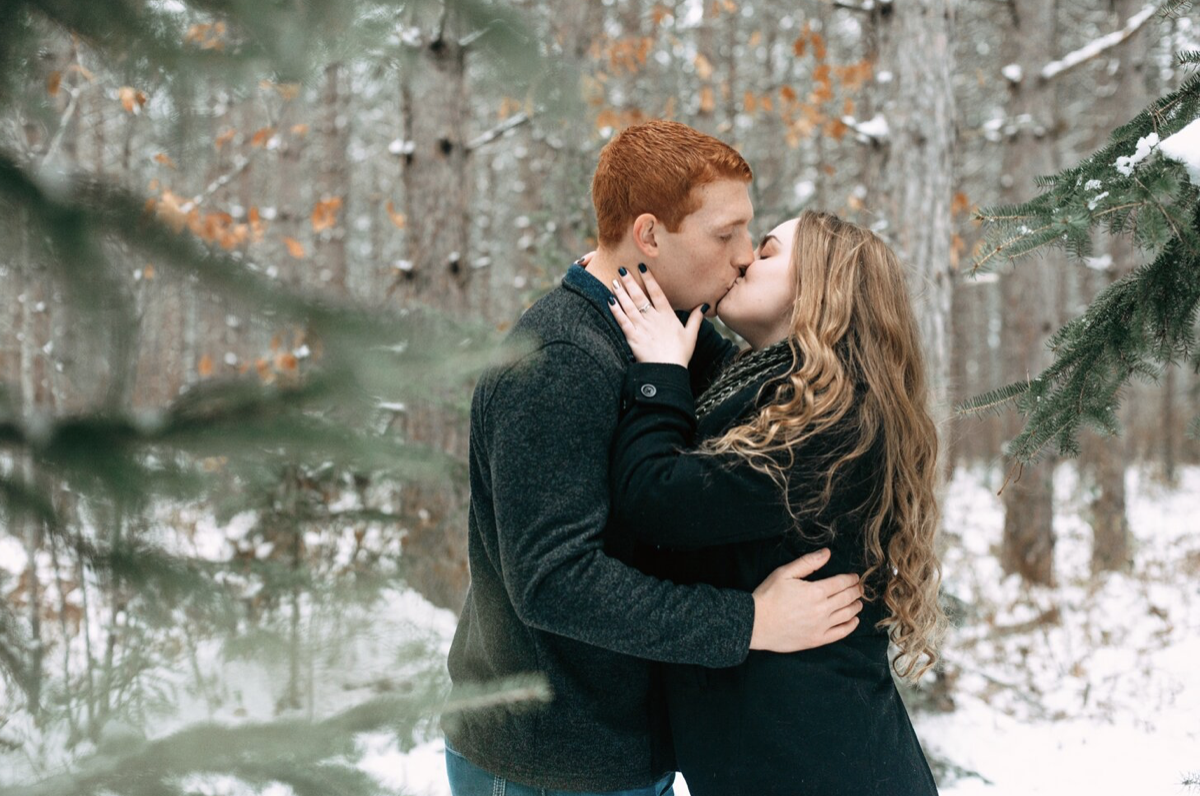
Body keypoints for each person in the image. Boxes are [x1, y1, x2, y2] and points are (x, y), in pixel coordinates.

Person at [442, 122, 866, 796]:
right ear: (649, 237)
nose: (742, 257)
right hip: (551, 763)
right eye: (724, 234)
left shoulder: (667, 338)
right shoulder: (563, 362)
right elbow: (554, 579)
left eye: (748, 233)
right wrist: (749, 622)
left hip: (623, 749)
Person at [598, 209, 948, 795]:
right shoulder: (763, 387)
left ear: (823, 285)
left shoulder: (836, 423)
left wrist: (659, 375)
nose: (742, 261)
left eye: (765, 253)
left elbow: (657, 502)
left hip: (828, 771)